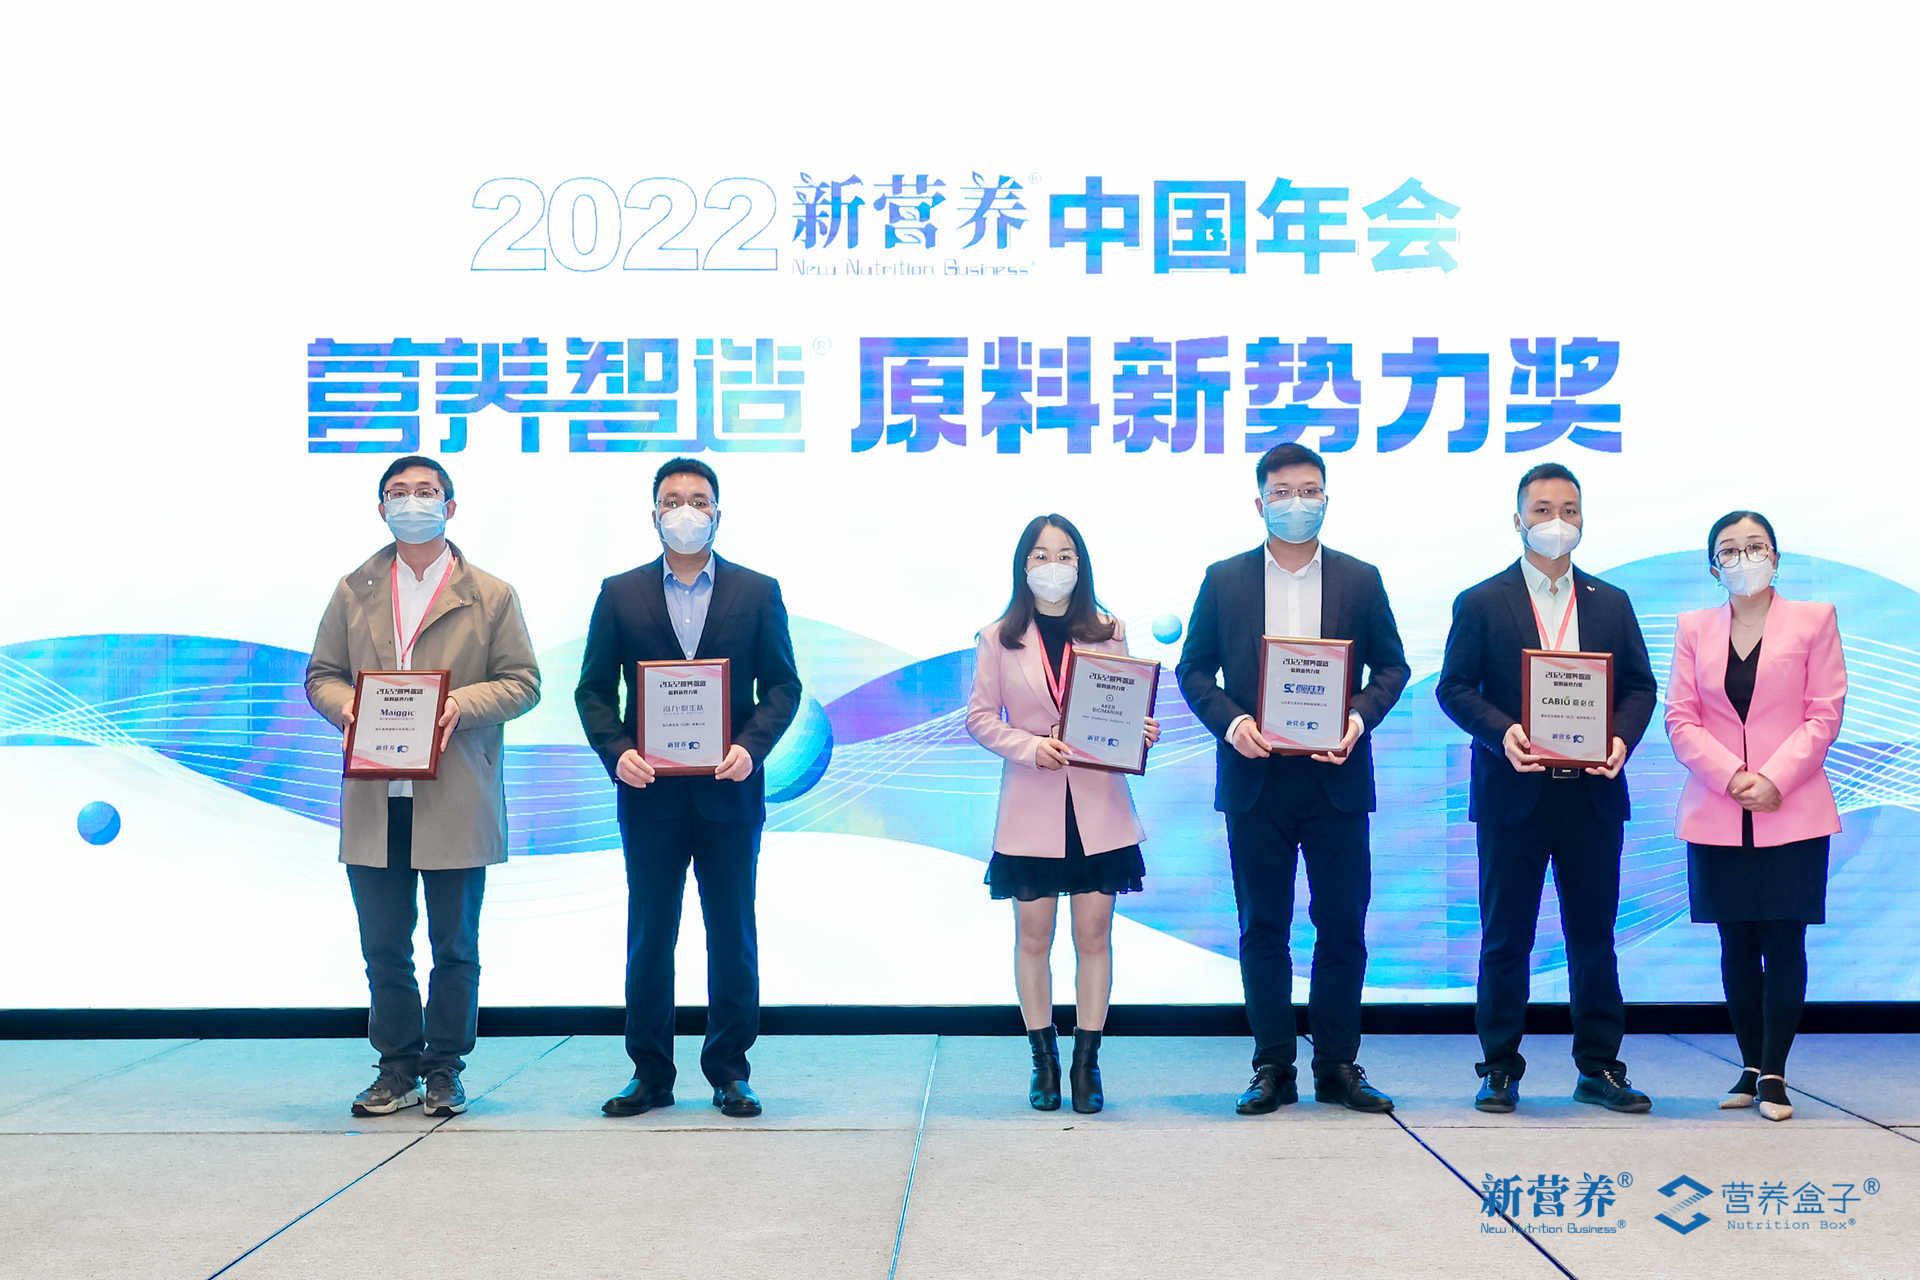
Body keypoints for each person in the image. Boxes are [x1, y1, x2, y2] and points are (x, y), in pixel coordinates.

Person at [1176, 443, 1409, 1115]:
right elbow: (1194, 670)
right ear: (1260, 503)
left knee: (1342, 927)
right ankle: (1272, 1065)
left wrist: (1357, 719)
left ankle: (1337, 1065)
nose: (1296, 503)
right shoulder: (1225, 580)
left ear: (1327, 499)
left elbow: (1392, 668)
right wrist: (1232, 724)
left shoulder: (1360, 579)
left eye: (1309, 491)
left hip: (1337, 777)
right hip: (1256, 779)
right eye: (1282, 493)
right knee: (1263, 928)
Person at [305, 456, 541, 1118]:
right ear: (382, 508)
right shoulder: (353, 589)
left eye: (427, 491)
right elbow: (321, 675)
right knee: (384, 946)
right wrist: (349, 708)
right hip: (376, 794)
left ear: (450, 507)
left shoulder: (490, 595)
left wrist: (460, 703)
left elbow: (523, 682)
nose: (414, 502)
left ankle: (444, 1070)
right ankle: (396, 1068)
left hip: (455, 792)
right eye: (399, 493)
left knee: (454, 947)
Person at [576, 457, 801, 1119]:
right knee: (650, 934)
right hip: (649, 793)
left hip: (730, 790)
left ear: (717, 513)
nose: (685, 511)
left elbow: (782, 686)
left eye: (698, 500)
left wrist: (750, 748)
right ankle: (650, 1074)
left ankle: (730, 1072)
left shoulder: (757, 591)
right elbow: (593, 690)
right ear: (654, 514)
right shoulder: (620, 593)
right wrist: (618, 751)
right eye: (672, 500)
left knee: (732, 932)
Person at [1436, 462, 1658, 1114]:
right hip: (1514, 790)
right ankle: (1499, 1068)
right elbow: (1454, 688)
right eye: (1542, 510)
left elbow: (1640, 687)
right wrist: (1500, 732)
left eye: (1569, 510)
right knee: (1506, 937)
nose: (1556, 522)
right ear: (1518, 520)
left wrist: (1621, 738)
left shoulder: (1611, 601)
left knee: (1594, 937)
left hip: (1592, 793)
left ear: (1582, 519)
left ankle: (1600, 1067)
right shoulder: (1481, 601)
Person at [966, 515, 1161, 1114]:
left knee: (1094, 936)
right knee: (1033, 937)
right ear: (1023, 566)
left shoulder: (1108, 630)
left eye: (1066, 554)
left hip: (1099, 805)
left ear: (1082, 564)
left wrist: (1139, 730)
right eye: (1041, 555)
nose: (1054, 566)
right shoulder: (997, 637)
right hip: (1032, 806)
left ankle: (1086, 1063)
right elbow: (980, 718)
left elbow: (1122, 704)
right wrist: (1030, 746)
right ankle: (1044, 1062)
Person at [1665, 511, 1845, 1122]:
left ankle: (1775, 1073)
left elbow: (1824, 712)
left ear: (1777, 557)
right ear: (1713, 567)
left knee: (1784, 939)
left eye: (1756, 546)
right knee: (1735, 942)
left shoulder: (1814, 620)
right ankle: (1747, 1064)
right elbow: (1680, 717)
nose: (1744, 559)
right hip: (1718, 808)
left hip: (1792, 806)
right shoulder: (1693, 628)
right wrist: (1731, 776)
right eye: (1730, 550)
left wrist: (1773, 778)